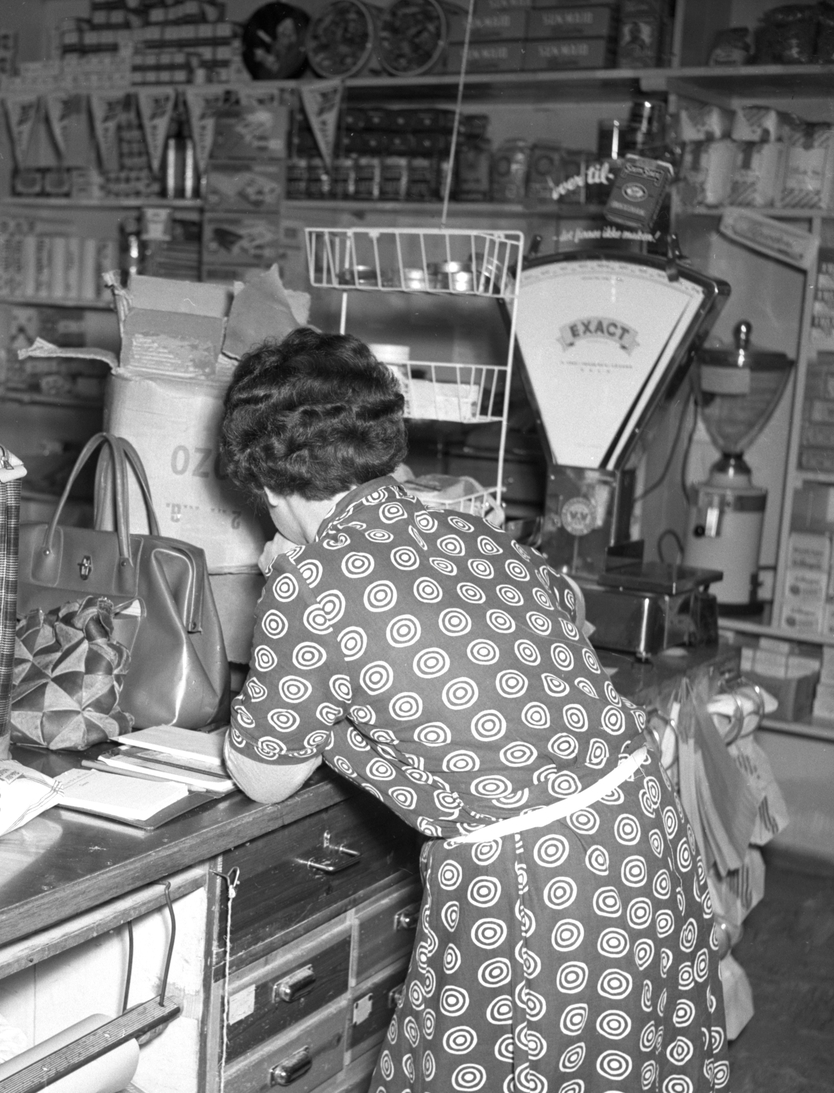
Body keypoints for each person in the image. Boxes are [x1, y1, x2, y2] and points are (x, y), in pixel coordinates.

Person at [219, 328, 728, 1093]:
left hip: (541, 889)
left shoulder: (311, 586)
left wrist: (282, 625)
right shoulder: (466, 527)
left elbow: (264, 776)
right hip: (641, 841)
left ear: (265, 484)